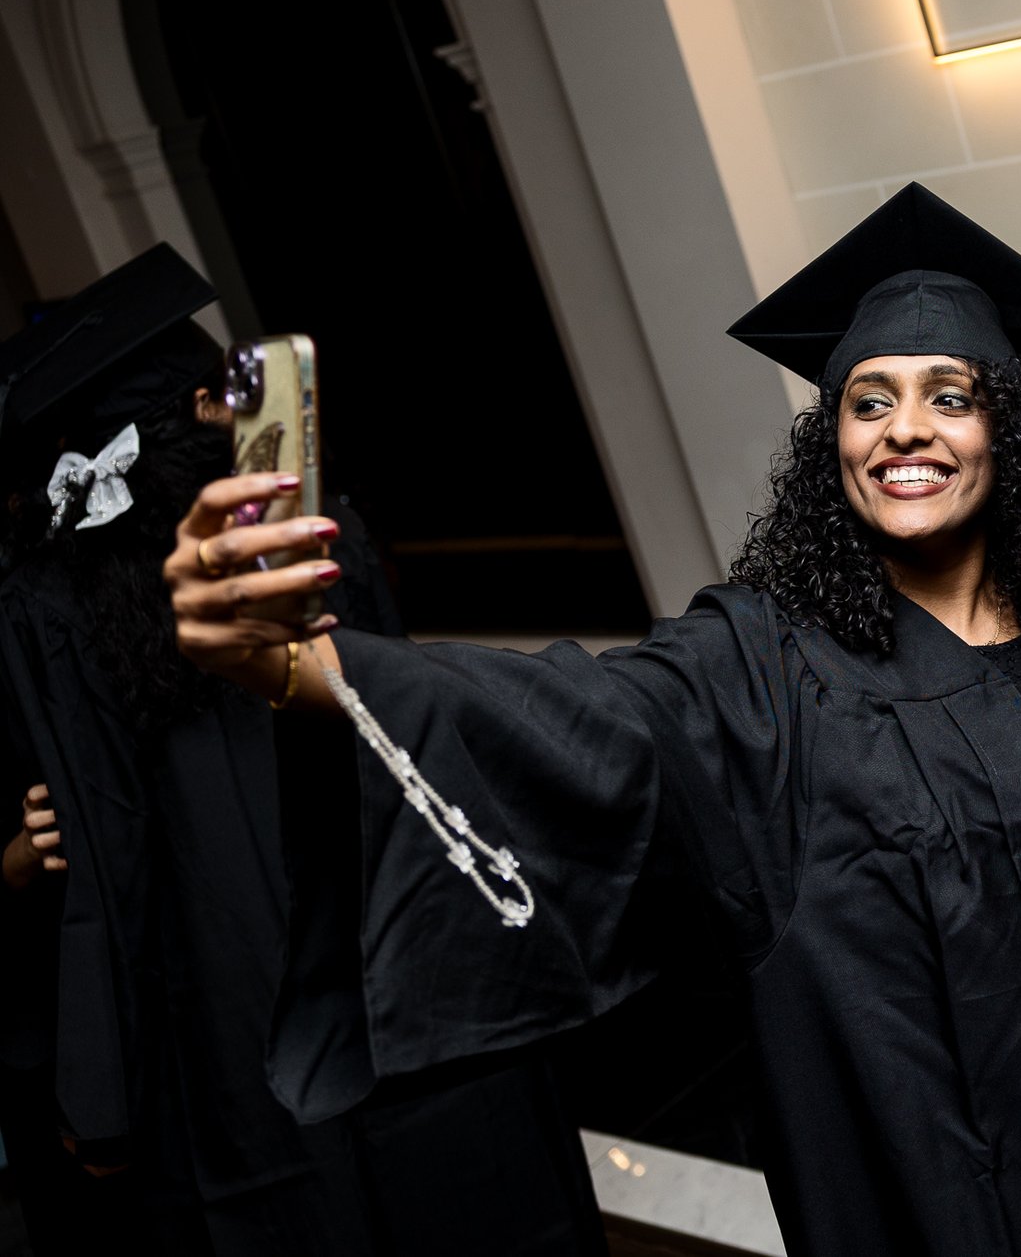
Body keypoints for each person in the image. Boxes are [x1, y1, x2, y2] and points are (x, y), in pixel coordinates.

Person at [164, 185, 1021, 1257]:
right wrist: (304, 671)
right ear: (831, 435)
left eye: (950, 394)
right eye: (868, 398)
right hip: (968, 1208)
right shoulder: (765, 666)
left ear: (1007, 430)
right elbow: (585, 716)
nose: (906, 429)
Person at [0, 245, 603, 1256]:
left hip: (227, 1019)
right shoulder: (312, 529)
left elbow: (104, 869)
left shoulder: (46, 602)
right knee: (479, 1191)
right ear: (203, 406)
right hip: (400, 946)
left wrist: (98, 1096)